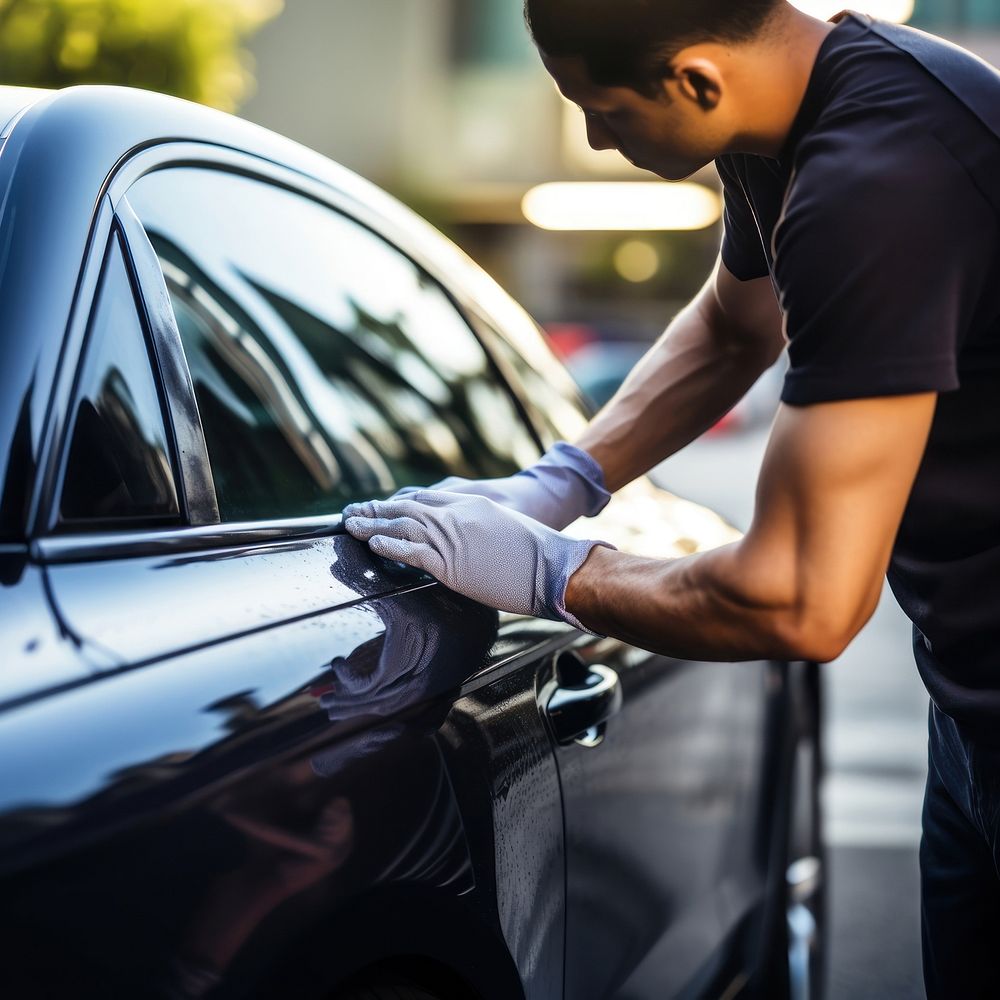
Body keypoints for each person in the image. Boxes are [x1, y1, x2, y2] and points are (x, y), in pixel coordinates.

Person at [342, 3, 1000, 995]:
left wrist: (545, 572)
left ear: (694, 80)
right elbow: (735, 328)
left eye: (597, 110)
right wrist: (560, 482)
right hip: (970, 712)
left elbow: (802, 597)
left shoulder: (880, 179)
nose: (599, 141)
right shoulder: (785, 115)